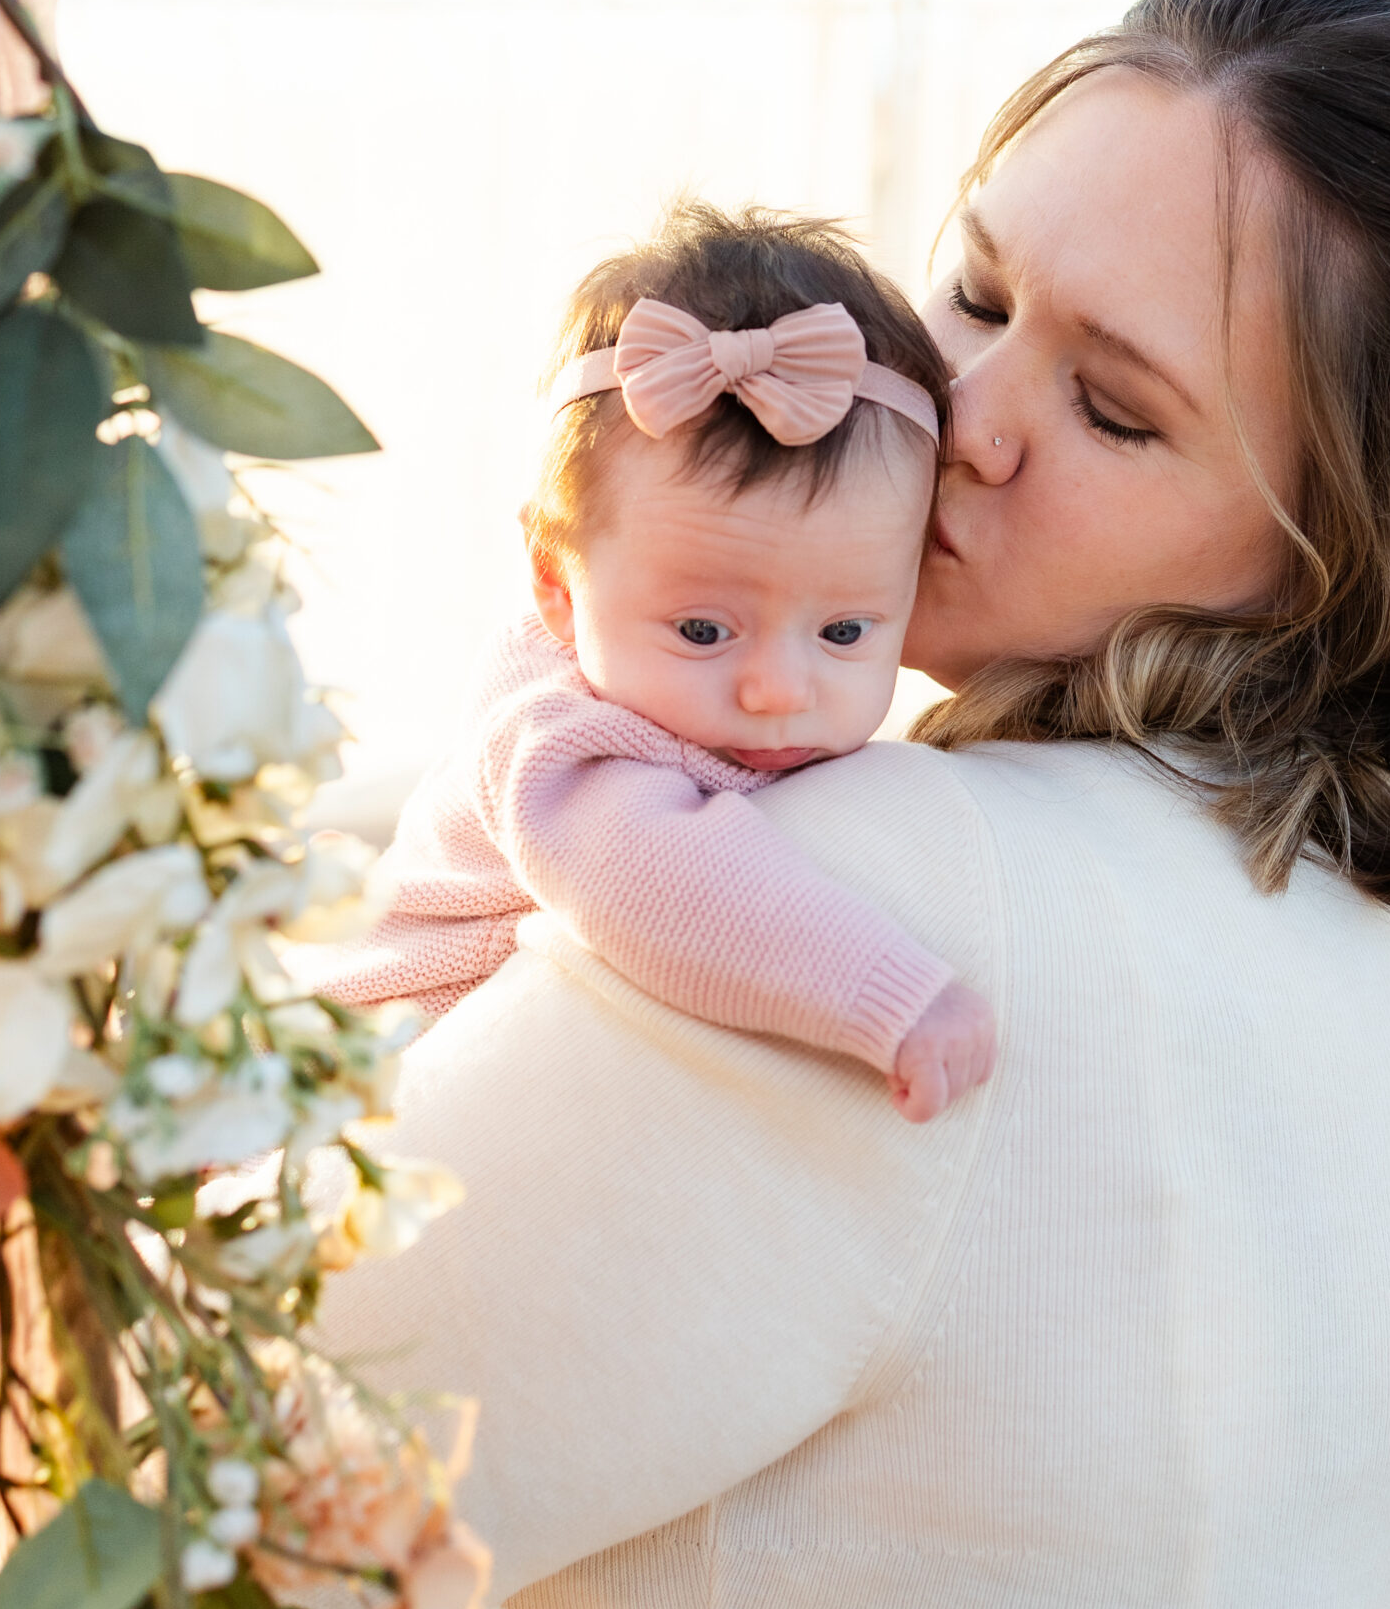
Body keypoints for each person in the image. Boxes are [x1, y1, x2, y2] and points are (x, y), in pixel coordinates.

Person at [320, 0, 1390, 1609]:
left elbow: (234, 1453)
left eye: (1114, 407)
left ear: (1342, 542)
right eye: (975, 291)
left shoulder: (879, 895)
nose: (963, 412)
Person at [323, 204, 992, 1123]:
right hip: (337, 1086)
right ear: (557, 583)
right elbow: (665, 885)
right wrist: (892, 997)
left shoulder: (653, 674)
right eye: (704, 633)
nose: (777, 692)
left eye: (843, 632)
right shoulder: (558, 745)